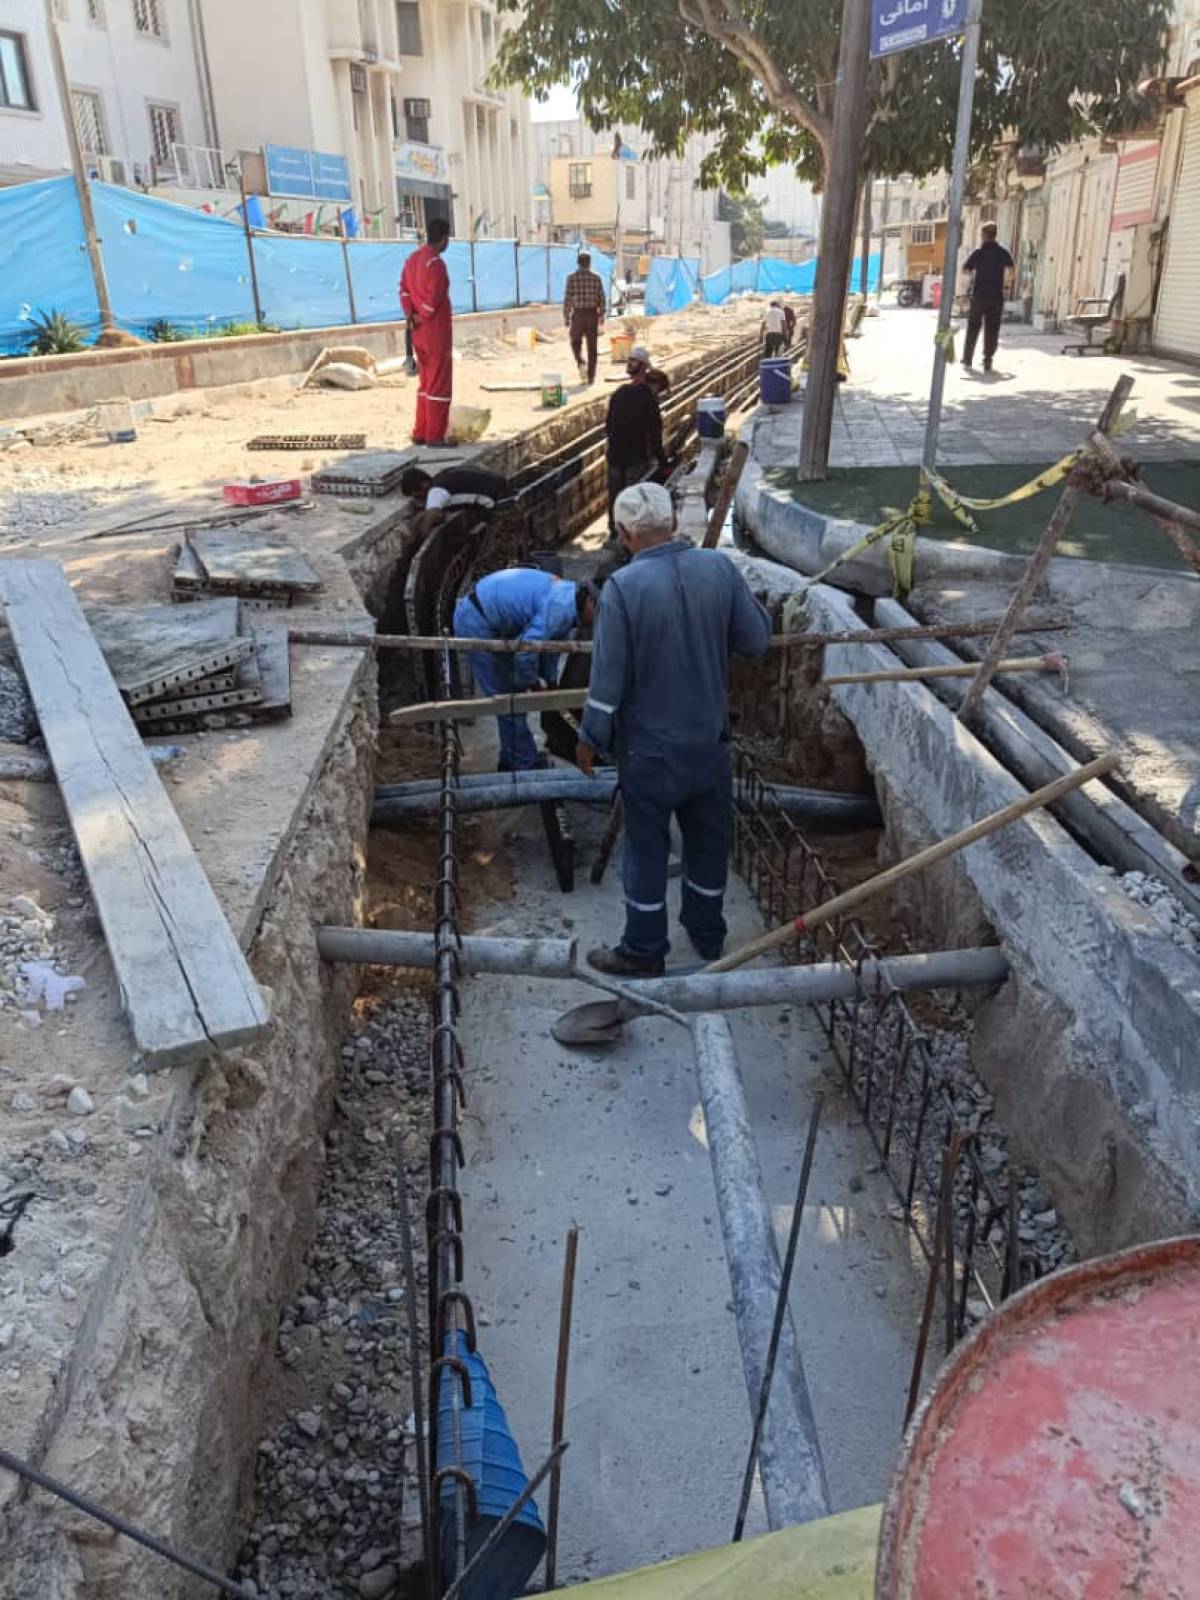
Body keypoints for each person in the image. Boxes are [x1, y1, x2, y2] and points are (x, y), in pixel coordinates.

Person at [576, 482, 772, 976]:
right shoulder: (718, 569)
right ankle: (707, 935)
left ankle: (644, 949)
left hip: (649, 753)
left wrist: (590, 737)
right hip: (709, 743)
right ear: (673, 523)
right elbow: (756, 640)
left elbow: (607, 680)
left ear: (624, 534)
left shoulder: (623, 588)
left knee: (646, 849)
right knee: (708, 843)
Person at [453, 569, 598, 772]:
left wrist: (551, 681)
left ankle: (511, 758)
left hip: (489, 615)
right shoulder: (560, 609)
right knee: (510, 700)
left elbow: (550, 646)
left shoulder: (568, 601)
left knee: (512, 700)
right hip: (477, 622)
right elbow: (526, 651)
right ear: (590, 601)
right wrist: (531, 681)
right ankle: (524, 765)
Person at [596, 345, 667, 581]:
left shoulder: (619, 393)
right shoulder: (647, 397)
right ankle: (627, 547)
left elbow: (608, 427)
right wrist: (663, 461)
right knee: (633, 502)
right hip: (634, 458)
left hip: (616, 456)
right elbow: (655, 433)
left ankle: (613, 537)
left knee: (615, 498)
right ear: (645, 368)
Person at [399, 217, 453, 445]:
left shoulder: (412, 259)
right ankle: (435, 436)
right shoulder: (436, 264)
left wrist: (411, 315)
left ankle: (420, 432)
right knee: (439, 384)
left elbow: (403, 290)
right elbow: (434, 299)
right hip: (435, 332)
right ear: (444, 238)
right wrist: (422, 316)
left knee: (426, 383)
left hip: (417, 332)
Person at [961, 222, 1015, 373]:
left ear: (983, 235)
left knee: (973, 327)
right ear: (995, 235)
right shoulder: (1003, 252)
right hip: (995, 297)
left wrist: (973, 277)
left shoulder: (978, 252)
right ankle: (987, 361)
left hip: (978, 295)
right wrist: (1006, 285)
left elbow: (965, 270)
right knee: (992, 328)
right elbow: (1012, 271)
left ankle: (967, 359)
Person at [399, 462, 512, 526]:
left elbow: (430, 520)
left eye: (417, 496)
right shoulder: (444, 475)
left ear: (424, 485)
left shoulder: (436, 491)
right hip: (505, 489)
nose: (421, 499)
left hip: (501, 504)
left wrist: (416, 543)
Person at [562, 250, 608, 386]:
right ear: (589, 263)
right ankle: (591, 376)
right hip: (592, 314)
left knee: (575, 341)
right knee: (592, 347)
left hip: (578, 314)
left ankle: (580, 361)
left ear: (578, 263)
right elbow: (602, 298)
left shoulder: (571, 278)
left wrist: (566, 317)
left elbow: (567, 299)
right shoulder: (596, 277)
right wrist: (601, 315)